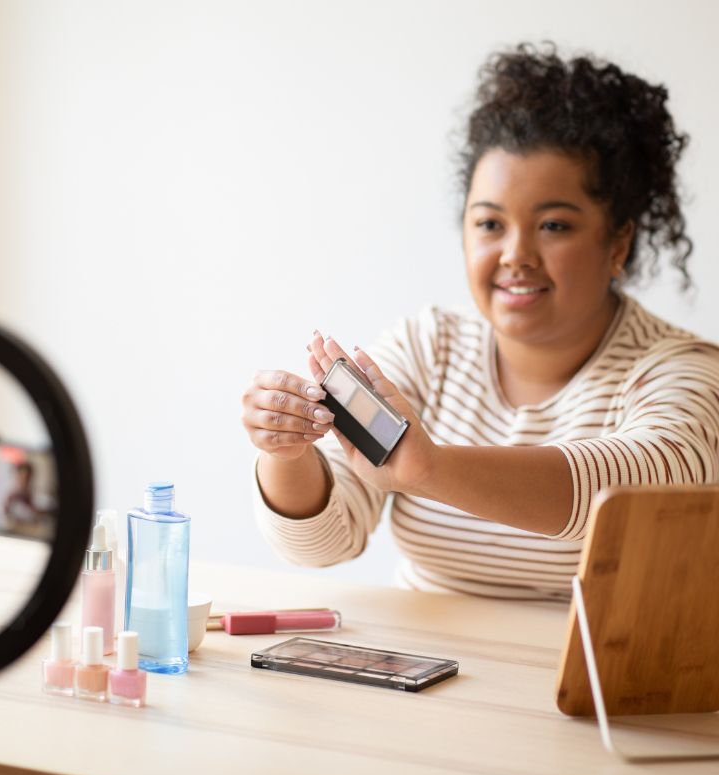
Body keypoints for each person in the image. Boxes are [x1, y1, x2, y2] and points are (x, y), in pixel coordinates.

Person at [240, 43, 719, 600]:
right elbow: (325, 542)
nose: (516, 254)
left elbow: (635, 497)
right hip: (425, 673)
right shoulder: (429, 345)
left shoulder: (685, 371)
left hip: (586, 685)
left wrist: (432, 470)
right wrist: (285, 452)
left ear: (618, 243)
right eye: (490, 224)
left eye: (554, 226)